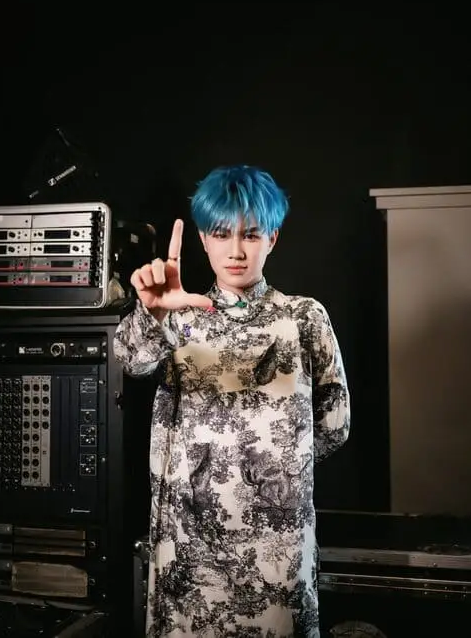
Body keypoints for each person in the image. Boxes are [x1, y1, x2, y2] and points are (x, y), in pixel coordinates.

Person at [113, 165, 350, 638]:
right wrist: (151, 313)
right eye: (222, 234)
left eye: (251, 234)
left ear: (272, 239)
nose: (236, 250)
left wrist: (275, 471)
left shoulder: (304, 317)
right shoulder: (178, 315)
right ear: (204, 239)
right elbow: (130, 360)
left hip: (277, 546)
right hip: (188, 541)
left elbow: (335, 423)